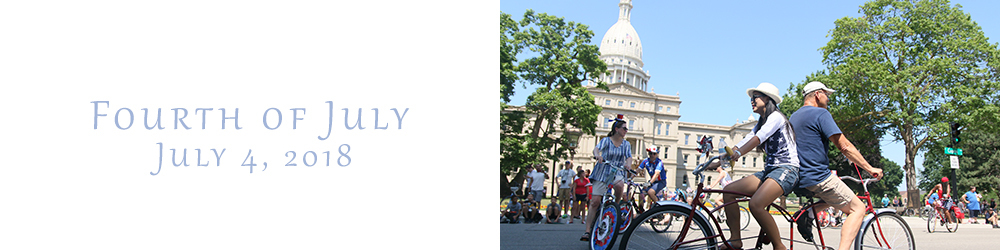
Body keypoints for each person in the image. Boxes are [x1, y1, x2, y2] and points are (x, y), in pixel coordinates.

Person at [787, 81, 883, 250]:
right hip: (818, 176)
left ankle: (807, 214)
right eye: (827, 95)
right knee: (858, 209)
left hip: (800, 178)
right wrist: (870, 168)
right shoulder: (821, 114)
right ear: (818, 94)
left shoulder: (794, 117)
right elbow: (844, 146)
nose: (829, 99)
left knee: (832, 199)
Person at [705, 82, 799, 250]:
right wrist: (721, 159)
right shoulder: (760, 122)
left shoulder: (776, 117)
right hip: (770, 171)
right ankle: (735, 240)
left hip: (787, 169)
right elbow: (747, 139)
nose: (752, 101)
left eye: (755, 97)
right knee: (728, 191)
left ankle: (779, 247)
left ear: (767, 99)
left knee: (755, 204)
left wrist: (739, 153)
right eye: (751, 98)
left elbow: (758, 139)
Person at [580, 114, 633, 241]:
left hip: (617, 170)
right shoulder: (606, 140)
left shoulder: (626, 144)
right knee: (595, 202)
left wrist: (628, 165)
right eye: (624, 128)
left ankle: (616, 205)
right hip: (603, 170)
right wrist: (598, 156)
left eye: (626, 129)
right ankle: (587, 231)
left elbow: (629, 156)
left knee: (620, 185)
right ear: (617, 129)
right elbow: (596, 149)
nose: (626, 131)